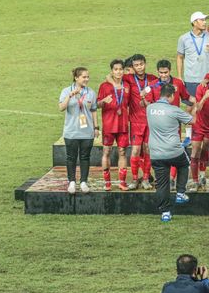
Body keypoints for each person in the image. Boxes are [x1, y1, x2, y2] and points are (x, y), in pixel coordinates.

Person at [147, 84, 195, 222]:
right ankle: (180, 192)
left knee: (162, 184)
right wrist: (195, 107)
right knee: (185, 164)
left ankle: (165, 213)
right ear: (172, 96)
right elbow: (193, 121)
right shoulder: (175, 110)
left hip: (156, 153)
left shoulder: (150, 109)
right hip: (173, 151)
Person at [58, 67, 99, 195]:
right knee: (71, 157)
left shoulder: (91, 92)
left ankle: (83, 182)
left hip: (87, 132)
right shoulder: (66, 91)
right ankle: (71, 182)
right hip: (71, 131)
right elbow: (61, 108)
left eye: (88, 77)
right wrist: (70, 96)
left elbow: (93, 110)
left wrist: (96, 127)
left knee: (85, 157)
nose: (86, 79)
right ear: (76, 78)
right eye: (84, 77)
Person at [123, 54, 158, 190]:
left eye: (141, 64)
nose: (139, 67)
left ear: (145, 64)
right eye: (136, 65)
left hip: (150, 121)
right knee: (135, 150)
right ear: (132, 67)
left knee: (148, 150)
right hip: (136, 122)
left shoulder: (153, 79)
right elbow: (111, 76)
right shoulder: (129, 78)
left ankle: (146, 179)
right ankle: (134, 179)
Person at [97, 59, 130, 191]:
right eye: (115, 69)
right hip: (109, 124)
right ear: (112, 71)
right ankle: (107, 182)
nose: (118, 72)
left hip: (122, 125)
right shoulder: (104, 86)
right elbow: (97, 105)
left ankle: (122, 182)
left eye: (120, 69)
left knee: (122, 152)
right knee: (107, 151)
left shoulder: (127, 85)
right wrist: (103, 101)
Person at [177, 11, 209, 98]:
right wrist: (180, 77)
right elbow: (180, 57)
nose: (205, 22)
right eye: (202, 20)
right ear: (194, 22)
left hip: (207, 78)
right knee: (192, 106)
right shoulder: (183, 38)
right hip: (190, 79)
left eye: (205, 20)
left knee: (207, 104)